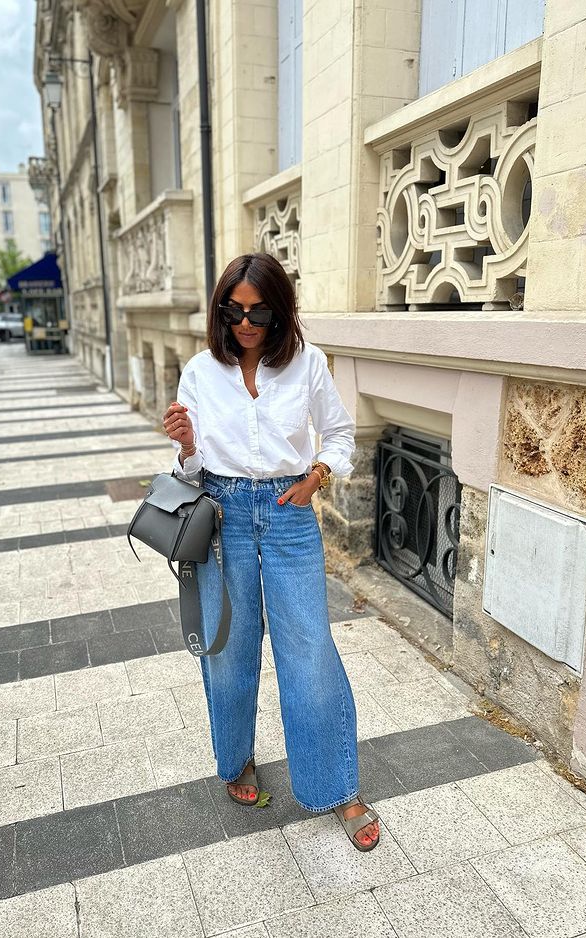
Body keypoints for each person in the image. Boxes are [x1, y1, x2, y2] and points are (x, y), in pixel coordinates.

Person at [162, 252, 379, 852]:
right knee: (228, 652)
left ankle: (336, 784)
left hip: (288, 518)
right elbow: (191, 470)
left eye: (259, 311)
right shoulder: (201, 372)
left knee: (309, 653)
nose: (246, 322)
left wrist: (317, 478)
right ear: (221, 311)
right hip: (224, 517)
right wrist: (184, 446)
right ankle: (235, 760)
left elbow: (338, 435)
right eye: (234, 311)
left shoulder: (309, 365)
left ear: (281, 312)